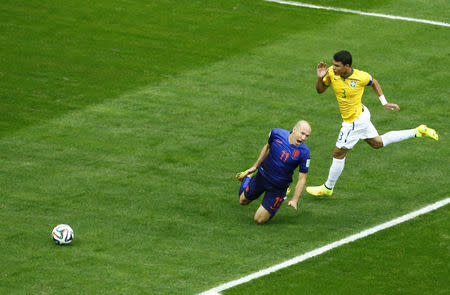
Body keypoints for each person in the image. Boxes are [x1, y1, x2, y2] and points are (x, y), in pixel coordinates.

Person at [306, 50, 438, 197]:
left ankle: (328, 188)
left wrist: (384, 102)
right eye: (333, 64)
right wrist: (320, 78)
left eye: (337, 65)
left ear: (347, 66)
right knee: (377, 143)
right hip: (360, 116)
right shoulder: (331, 73)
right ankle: (418, 131)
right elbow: (320, 90)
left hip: (354, 121)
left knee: (338, 153)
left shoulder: (361, 76)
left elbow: (373, 82)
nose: (333, 68)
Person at [236, 120, 311, 224]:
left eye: (307, 136)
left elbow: (302, 179)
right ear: (294, 129)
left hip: (278, 187)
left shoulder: (304, 153)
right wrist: (255, 166)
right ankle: (246, 178)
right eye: (302, 133)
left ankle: (282, 196)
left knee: (259, 220)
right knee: (242, 201)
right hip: (262, 177)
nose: (303, 138)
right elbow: (267, 148)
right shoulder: (276, 134)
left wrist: (295, 199)